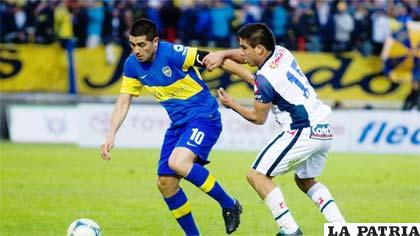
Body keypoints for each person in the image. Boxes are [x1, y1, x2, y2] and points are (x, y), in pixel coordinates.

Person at [100, 18, 251, 235]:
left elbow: (217, 59)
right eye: (132, 45)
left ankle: (229, 204)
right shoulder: (132, 65)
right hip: (178, 125)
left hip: (204, 117)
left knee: (178, 162)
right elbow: (123, 100)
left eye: (142, 45)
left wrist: (252, 80)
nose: (136, 50)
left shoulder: (172, 53)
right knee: (165, 183)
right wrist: (110, 134)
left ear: (155, 42)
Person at [203, 23, 345, 236]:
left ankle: (290, 230)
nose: (241, 53)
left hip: (302, 130)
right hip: (324, 127)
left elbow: (258, 118)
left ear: (259, 49)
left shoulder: (266, 80)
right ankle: (341, 227)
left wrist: (232, 104)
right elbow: (249, 67)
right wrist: (223, 55)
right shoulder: (281, 52)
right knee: (305, 181)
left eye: (244, 47)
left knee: (257, 175)